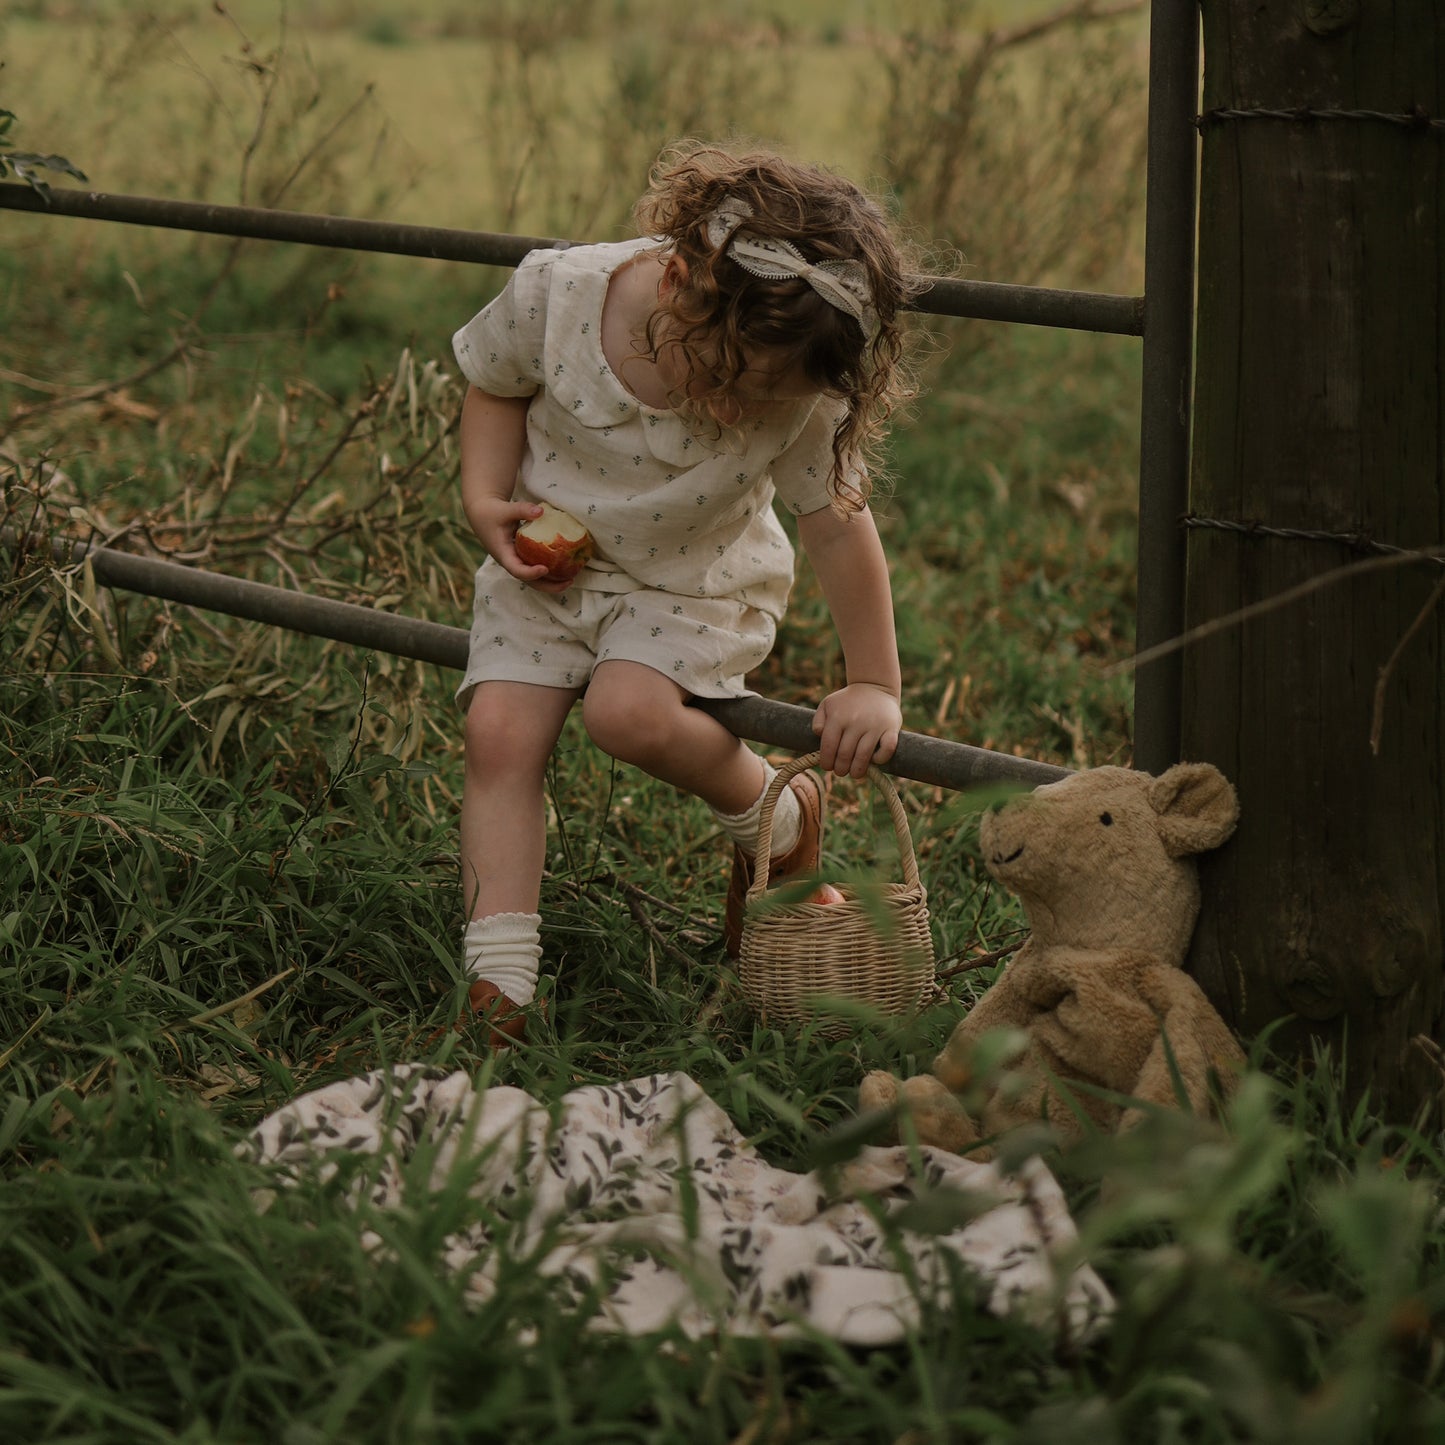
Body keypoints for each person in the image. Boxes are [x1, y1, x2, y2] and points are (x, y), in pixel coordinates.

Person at [449, 140, 922, 1044]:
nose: (741, 413)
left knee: (625, 713)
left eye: (767, 399)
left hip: (692, 578)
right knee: (496, 732)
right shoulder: (557, 295)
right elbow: (494, 383)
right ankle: (498, 988)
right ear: (675, 283)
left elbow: (835, 523)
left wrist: (875, 683)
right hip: (552, 562)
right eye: (725, 378)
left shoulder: (794, 377)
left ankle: (779, 812)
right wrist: (484, 495)